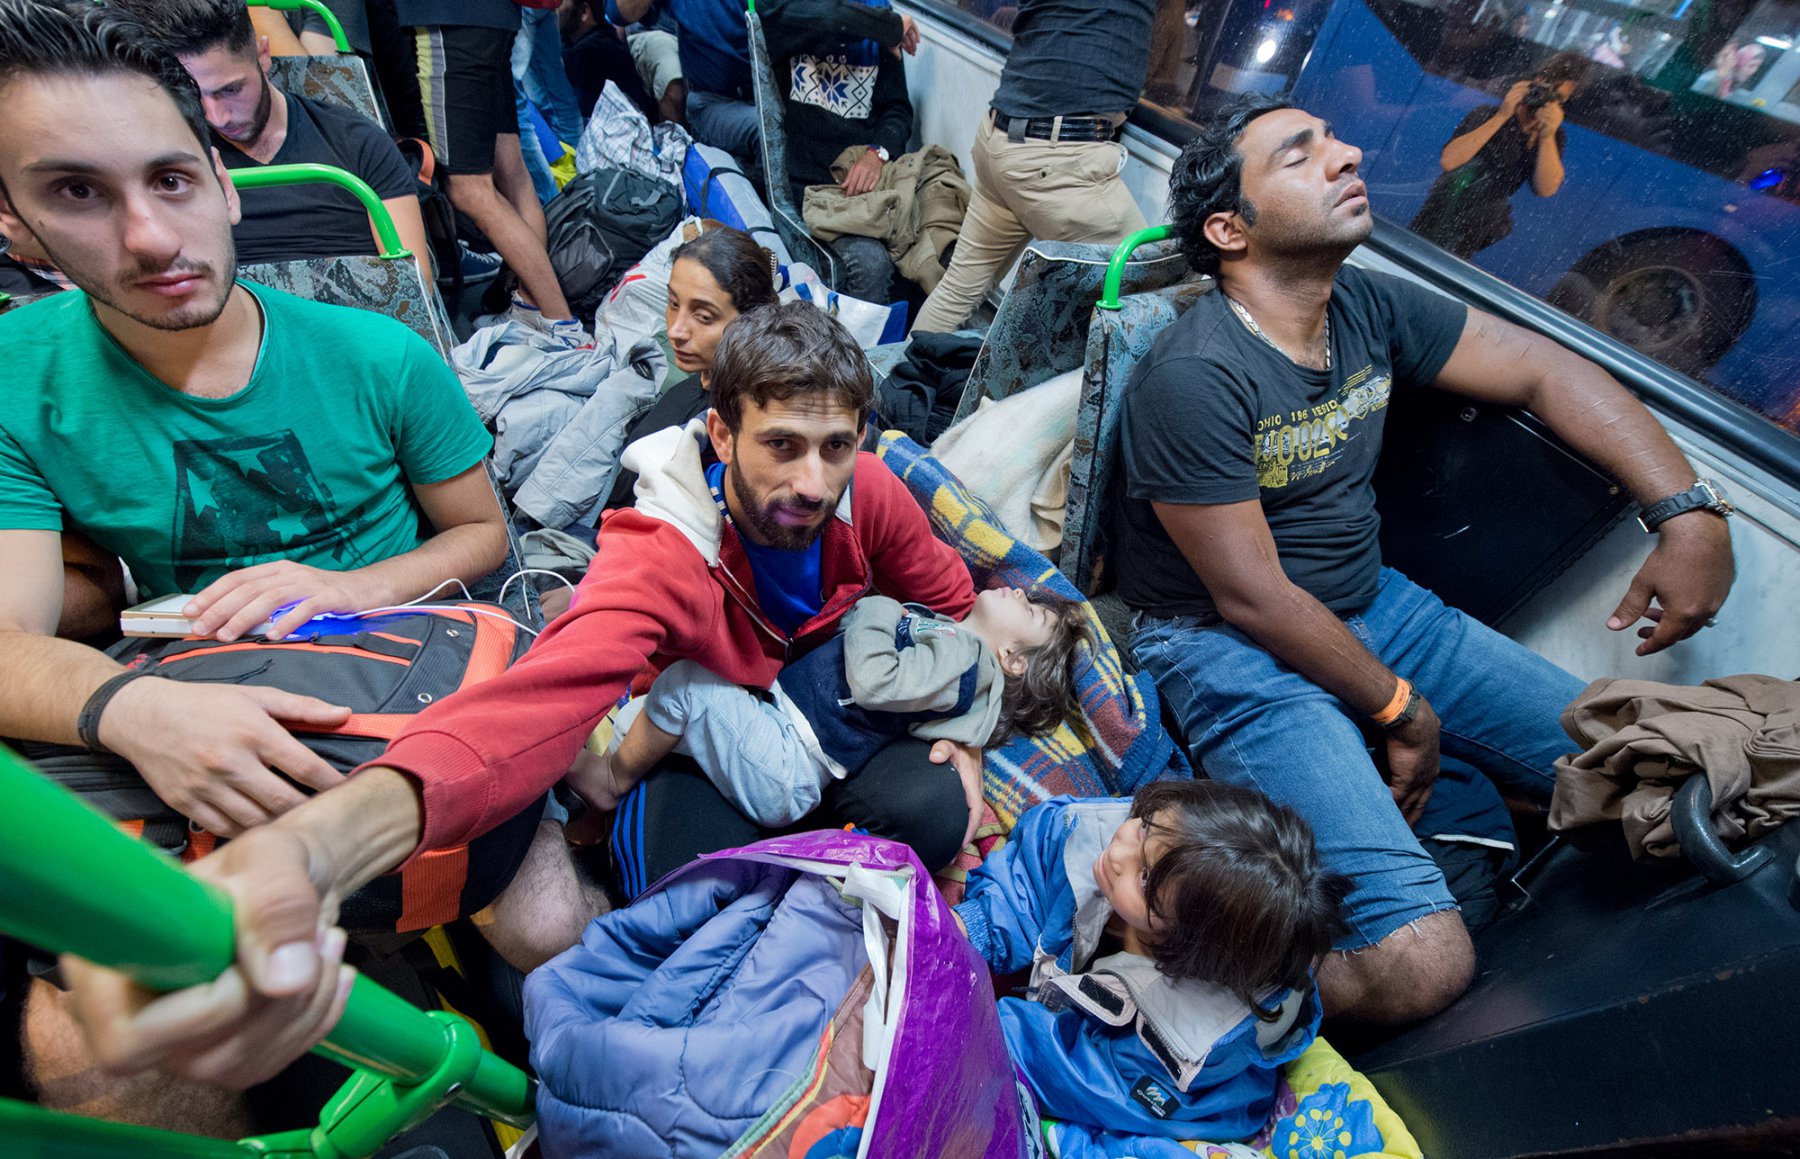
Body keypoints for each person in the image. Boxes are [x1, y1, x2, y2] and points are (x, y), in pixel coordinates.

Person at [53, 300, 989, 1092]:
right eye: (781, 445)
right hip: (705, 726)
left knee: (936, 805)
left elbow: (952, 605)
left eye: (835, 446)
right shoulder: (661, 552)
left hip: (830, 704)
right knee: (690, 905)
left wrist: (969, 737)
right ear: (721, 433)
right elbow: (546, 697)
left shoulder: (870, 493)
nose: (811, 482)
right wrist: (320, 848)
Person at [0, 0, 513, 1130]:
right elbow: (7, 643)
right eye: (77, 192)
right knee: (112, 1049)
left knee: (545, 929)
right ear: (18, 227)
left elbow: (484, 537)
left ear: (226, 184)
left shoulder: (378, 353)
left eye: (173, 181)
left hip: (400, 677)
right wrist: (135, 712)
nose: (147, 238)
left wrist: (350, 587)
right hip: (196, 700)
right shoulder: (17, 377)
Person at [1114, 93, 1735, 1025]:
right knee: (1417, 967)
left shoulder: (1364, 304)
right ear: (1228, 229)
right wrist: (1403, 711)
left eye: (1334, 137)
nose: (1347, 152)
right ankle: (1159, 943)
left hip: (1374, 603)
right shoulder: (1192, 378)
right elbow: (1250, 596)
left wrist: (1689, 515)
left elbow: (1544, 368)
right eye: (1300, 154)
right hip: (1222, 641)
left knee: (1688, 763)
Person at [954, 780, 1350, 1147]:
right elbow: (1035, 867)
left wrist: (968, 1026)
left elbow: (1070, 1072)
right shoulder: (1137, 838)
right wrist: (976, 926)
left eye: (1144, 880)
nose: (1117, 850)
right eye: (1145, 827)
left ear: (1189, 949)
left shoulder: (1180, 1047)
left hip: (1162, 1094)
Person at [568, 587, 1086, 825]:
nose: (1020, 592)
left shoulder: (969, 657)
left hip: (790, 764)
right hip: (777, 729)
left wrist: (877, 609)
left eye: (1034, 610)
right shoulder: (944, 636)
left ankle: (608, 784)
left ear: (1014, 661)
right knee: (643, 718)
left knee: (685, 685)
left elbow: (875, 683)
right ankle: (596, 802)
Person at [114, 0, 431, 278]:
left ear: (263, 56)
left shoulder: (358, 141)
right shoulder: (171, 161)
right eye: (195, 97)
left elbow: (414, 284)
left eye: (231, 89)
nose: (217, 116)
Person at [909, 0, 1154, 335]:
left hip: (1001, 137)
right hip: (1055, 156)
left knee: (957, 290)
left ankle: (897, 384)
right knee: (1152, 293)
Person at [392, 0, 588, 343]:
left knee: (469, 188)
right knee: (510, 168)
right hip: (493, 16)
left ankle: (561, 323)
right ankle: (532, 308)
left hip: (450, 18)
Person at [600, 225, 781, 513]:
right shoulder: (697, 381)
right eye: (673, 303)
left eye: (703, 316)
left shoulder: (728, 434)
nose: (676, 329)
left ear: (751, 321)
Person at [603, 0, 919, 156]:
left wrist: (878, 153)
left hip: (774, 93)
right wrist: (889, 27)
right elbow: (620, 13)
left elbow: (822, 15)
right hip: (717, 101)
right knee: (772, 129)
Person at [778, 0, 914, 302]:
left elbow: (898, 110)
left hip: (869, 182)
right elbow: (828, 15)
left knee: (933, 244)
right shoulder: (791, 10)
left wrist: (876, 153)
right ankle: (856, 350)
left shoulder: (877, 13)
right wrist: (887, 27)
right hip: (810, 183)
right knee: (871, 264)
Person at [1408, 53, 1584, 260]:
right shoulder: (1487, 114)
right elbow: (1449, 161)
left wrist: (1546, 135)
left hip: (1476, 227)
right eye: (1546, 91)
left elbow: (1546, 189)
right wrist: (1503, 115)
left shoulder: (1552, 137)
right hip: (1443, 207)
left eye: (1557, 99)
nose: (1546, 102)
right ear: (1534, 82)